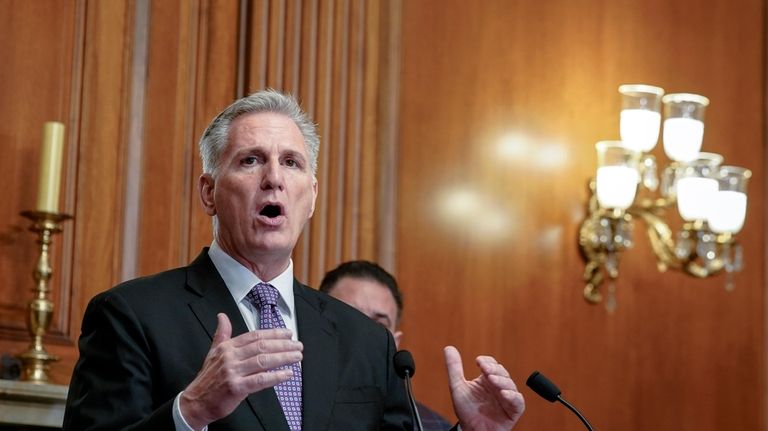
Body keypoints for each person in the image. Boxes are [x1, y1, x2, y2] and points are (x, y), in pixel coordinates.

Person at [63, 89, 522, 431]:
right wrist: (191, 410)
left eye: (292, 163)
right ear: (209, 192)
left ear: (312, 197)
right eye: (250, 161)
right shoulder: (132, 315)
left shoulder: (365, 341)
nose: (274, 179)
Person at [320, 261, 525, 431]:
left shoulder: (429, 426)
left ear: (395, 344)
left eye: (378, 326)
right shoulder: (292, 406)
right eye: (348, 316)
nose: (364, 334)